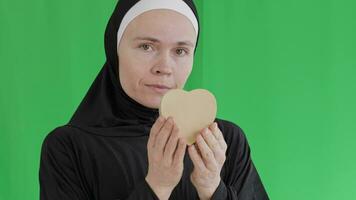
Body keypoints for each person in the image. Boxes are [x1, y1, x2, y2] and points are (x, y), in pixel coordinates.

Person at [39, 0, 269, 199]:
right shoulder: (68, 147)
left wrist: (213, 189)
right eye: (147, 46)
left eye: (180, 51)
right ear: (115, 50)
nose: (164, 68)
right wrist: (157, 186)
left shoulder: (223, 141)